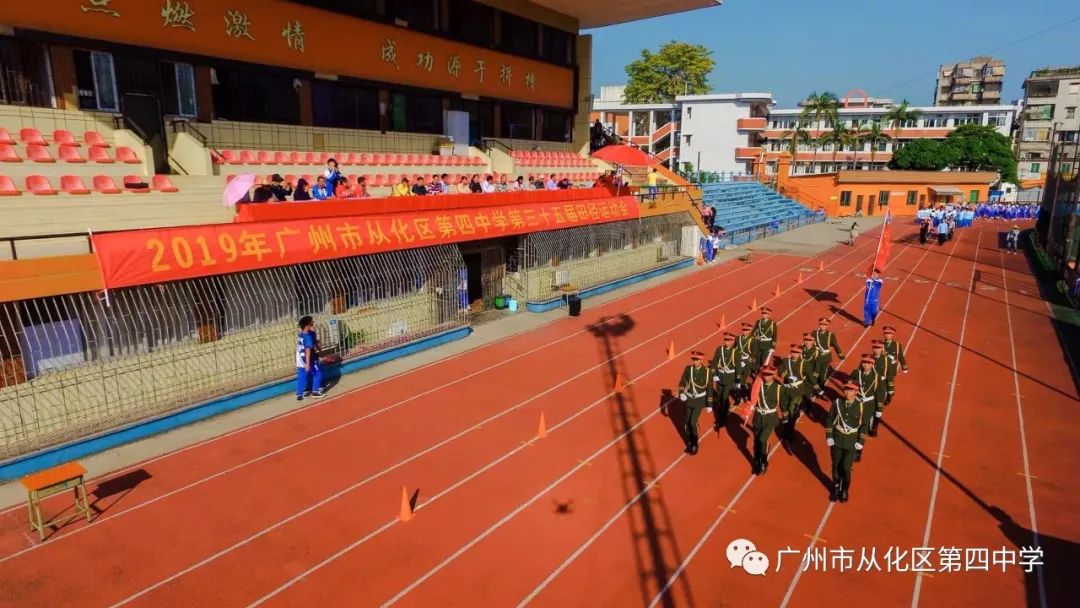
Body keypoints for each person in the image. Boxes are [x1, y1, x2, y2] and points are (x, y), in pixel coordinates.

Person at [825, 381, 866, 503]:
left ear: (856, 392)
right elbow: (829, 419)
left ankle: (845, 489)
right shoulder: (837, 403)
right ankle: (836, 486)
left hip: (851, 441)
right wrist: (829, 436)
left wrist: (861, 441)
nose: (848, 392)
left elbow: (864, 425)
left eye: (851, 390)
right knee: (836, 464)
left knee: (846, 467)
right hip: (837, 438)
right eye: (846, 389)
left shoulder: (861, 406)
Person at [677, 351, 712, 455]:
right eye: (693, 359)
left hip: (699, 401)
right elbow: (682, 382)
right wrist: (681, 393)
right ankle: (690, 441)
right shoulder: (689, 369)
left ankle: (695, 444)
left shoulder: (707, 372)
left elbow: (709, 388)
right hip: (689, 399)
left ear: (702, 360)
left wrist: (709, 404)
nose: (695, 361)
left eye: (697, 360)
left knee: (692, 422)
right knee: (687, 422)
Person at [750, 366, 783, 475]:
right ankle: (757, 459)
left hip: (770, 418)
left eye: (769, 374)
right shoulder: (757, 386)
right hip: (758, 417)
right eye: (765, 374)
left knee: (762, 440)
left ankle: (763, 462)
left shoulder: (778, 388)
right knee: (756, 441)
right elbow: (752, 398)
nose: (766, 376)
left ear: (773, 375)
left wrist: (786, 415)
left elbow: (783, 402)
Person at [851, 354, 879, 462]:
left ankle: (858, 450)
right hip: (856, 402)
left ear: (872, 364)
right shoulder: (856, 373)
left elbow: (879, 393)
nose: (865, 365)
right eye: (864, 363)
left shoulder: (876, 377)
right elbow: (849, 384)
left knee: (864, 425)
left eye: (868, 363)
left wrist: (879, 408)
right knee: (854, 423)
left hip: (868, 404)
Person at [779, 345, 810, 441]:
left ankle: (790, 432)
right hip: (786, 389)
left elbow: (809, 376)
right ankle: (786, 430)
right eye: (793, 352)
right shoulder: (785, 361)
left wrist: (816, 389)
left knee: (792, 411)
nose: (794, 354)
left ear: (800, 353)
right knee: (785, 412)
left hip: (797, 391)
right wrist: (787, 376)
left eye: (796, 352)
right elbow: (780, 372)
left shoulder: (804, 363)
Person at [709, 332, 740, 430]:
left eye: (729, 340)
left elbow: (738, 366)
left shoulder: (735, 352)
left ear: (732, 341)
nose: (727, 342)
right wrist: (714, 374)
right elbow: (714, 362)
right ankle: (722, 414)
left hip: (729, 378)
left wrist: (738, 380)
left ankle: (721, 420)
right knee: (718, 399)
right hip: (720, 377)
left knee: (723, 398)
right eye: (725, 340)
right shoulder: (720, 349)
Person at [810, 317, 845, 397]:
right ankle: (815, 390)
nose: (823, 326)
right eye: (821, 324)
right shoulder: (814, 333)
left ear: (828, 326)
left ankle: (821, 389)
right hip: (816, 357)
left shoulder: (830, 335)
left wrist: (841, 355)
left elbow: (835, 345)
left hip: (826, 358)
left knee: (823, 375)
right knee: (815, 373)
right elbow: (809, 343)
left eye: (825, 325)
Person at [295, 315, 326, 401]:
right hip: (308, 358)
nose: (313, 322)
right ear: (308, 324)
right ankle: (315, 391)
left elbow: (314, 342)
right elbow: (308, 351)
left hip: (300, 358)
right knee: (317, 373)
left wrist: (320, 351)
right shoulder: (308, 336)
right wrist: (308, 364)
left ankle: (299, 395)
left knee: (302, 376)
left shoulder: (302, 334)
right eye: (312, 321)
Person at [880, 325, 908, 405]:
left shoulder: (897, 345)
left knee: (890, 381)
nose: (887, 335)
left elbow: (900, 356)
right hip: (882, 366)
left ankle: (889, 395)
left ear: (892, 335)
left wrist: (904, 366)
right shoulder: (880, 344)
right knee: (881, 381)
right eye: (886, 333)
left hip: (891, 367)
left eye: (889, 334)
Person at [869, 340, 892, 437]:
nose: (876, 350)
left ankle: (874, 428)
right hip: (869, 387)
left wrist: (890, 391)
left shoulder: (887, 360)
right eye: (874, 348)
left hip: (881, 388)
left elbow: (890, 376)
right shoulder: (868, 360)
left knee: (878, 409)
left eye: (878, 348)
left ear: (882, 349)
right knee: (868, 407)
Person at [734, 322, 755, 403]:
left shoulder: (753, 340)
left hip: (747, 362)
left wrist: (746, 362)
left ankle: (747, 393)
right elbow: (735, 350)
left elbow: (754, 353)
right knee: (737, 379)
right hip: (739, 361)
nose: (744, 331)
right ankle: (738, 397)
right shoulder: (738, 338)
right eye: (743, 330)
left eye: (746, 330)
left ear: (749, 331)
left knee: (743, 380)